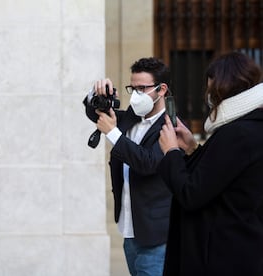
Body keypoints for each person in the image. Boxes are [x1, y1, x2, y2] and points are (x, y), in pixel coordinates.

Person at [158, 51, 263, 276]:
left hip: (222, 255)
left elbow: (191, 193)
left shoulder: (238, 134)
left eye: (211, 90)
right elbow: (222, 178)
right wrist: (192, 149)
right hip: (242, 249)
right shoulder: (250, 128)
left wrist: (171, 152)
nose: (208, 98)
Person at [84, 57, 173, 275]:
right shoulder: (132, 118)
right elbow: (94, 113)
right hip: (130, 232)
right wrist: (97, 94)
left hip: (156, 238)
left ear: (161, 90)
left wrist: (113, 133)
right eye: (132, 88)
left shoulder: (172, 126)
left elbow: (147, 163)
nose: (135, 95)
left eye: (142, 88)